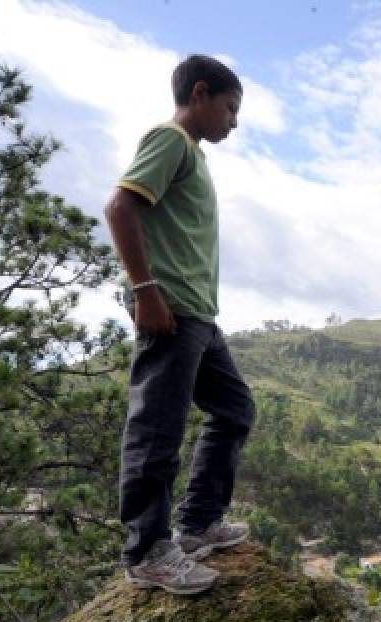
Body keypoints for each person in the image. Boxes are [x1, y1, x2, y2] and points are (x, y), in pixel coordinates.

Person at [105, 55, 255, 594]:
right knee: (157, 430)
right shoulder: (169, 140)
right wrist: (146, 291)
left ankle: (196, 525)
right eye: (230, 108)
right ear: (200, 93)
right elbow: (120, 207)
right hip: (169, 309)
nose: (233, 121)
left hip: (197, 314)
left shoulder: (191, 153)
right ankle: (146, 551)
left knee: (235, 409)